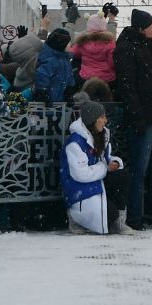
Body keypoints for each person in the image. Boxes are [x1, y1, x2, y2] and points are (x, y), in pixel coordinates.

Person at [113, 8, 152, 229]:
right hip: (146, 119)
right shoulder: (128, 50)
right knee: (142, 170)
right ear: (141, 28)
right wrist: (138, 116)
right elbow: (128, 87)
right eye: (150, 25)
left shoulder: (144, 47)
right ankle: (137, 217)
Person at [60, 99, 122, 235]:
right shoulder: (75, 143)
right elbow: (81, 174)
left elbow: (107, 158)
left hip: (95, 183)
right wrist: (105, 168)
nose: (105, 120)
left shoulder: (100, 135)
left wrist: (115, 163)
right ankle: (75, 217)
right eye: (102, 117)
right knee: (110, 214)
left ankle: (120, 221)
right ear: (92, 120)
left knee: (122, 175)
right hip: (80, 191)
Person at [72, 14, 116, 86]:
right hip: (106, 78)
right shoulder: (109, 43)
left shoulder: (82, 42)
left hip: (86, 77)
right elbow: (112, 63)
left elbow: (73, 54)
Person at [32, 28, 74, 104]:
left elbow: (69, 75)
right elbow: (42, 76)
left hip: (60, 102)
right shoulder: (50, 60)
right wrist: (42, 92)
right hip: (48, 103)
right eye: (68, 43)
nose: (71, 45)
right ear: (61, 44)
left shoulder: (65, 59)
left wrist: (69, 90)